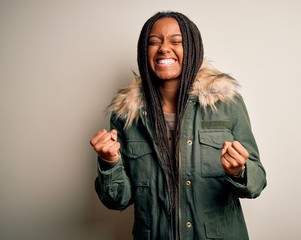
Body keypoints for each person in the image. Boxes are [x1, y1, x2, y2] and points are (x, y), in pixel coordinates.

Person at [90, 11, 267, 240]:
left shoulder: (225, 103)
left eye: (176, 41)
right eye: (154, 42)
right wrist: (109, 162)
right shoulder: (126, 115)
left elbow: (258, 182)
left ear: (192, 49)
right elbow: (117, 200)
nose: (164, 48)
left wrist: (240, 171)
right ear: (144, 51)